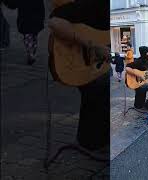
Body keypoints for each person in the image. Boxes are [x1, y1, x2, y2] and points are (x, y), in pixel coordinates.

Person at [48, 0, 109, 151]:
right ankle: (91, 143)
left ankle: (92, 142)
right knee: (99, 90)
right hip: (79, 61)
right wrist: (91, 45)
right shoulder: (95, 4)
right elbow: (54, 22)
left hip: (97, 66)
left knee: (101, 93)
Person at [14, 0, 45, 65]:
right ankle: (32, 53)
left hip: (26, 17)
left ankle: (31, 53)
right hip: (35, 18)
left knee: (28, 36)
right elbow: (41, 7)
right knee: (33, 37)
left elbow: (14, 4)